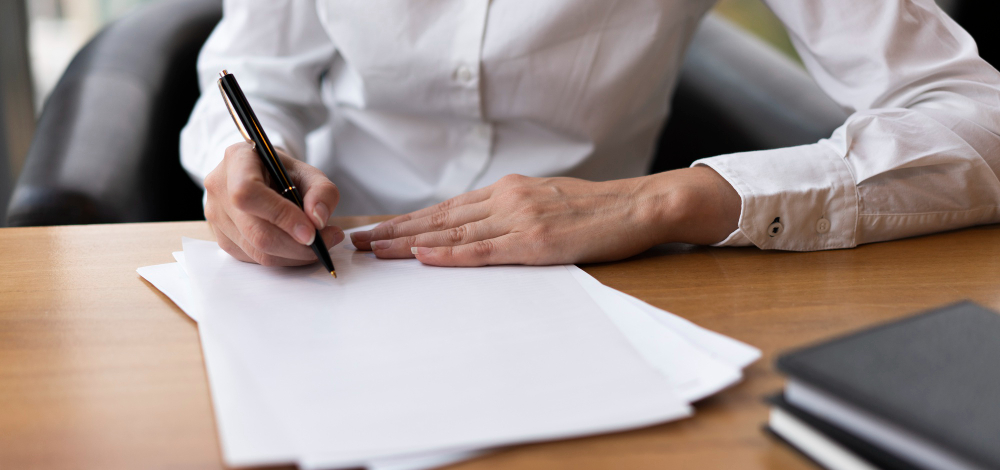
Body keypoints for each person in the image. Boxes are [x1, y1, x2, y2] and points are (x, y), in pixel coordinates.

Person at [180, 0, 1000, 268]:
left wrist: (669, 201)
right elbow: (251, 67)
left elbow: (976, 118)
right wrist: (238, 154)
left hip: (589, 281)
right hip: (335, 256)